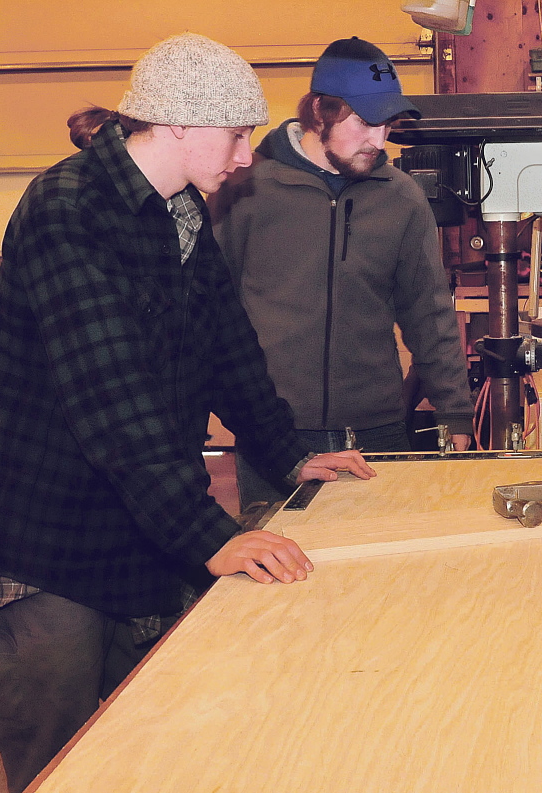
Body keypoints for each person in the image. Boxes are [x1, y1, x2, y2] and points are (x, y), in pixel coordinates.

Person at [0, 32, 375, 793]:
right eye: (236, 133)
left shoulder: (178, 210)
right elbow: (114, 403)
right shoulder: (67, 211)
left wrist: (287, 454)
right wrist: (211, 537)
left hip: (142, 543)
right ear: (179, 124)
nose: (247, 155)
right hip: (51, 561)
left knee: (156, 774)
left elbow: (227, 348)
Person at [209, 36, 473, 508]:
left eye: (387, 125)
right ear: (318, 113)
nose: (379, 140)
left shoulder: (401, 196)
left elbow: (429, 314)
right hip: (274, 435)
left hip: (377, 431)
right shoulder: (245, 187)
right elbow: (206, 312)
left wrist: (455, 413)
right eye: (365, 123)